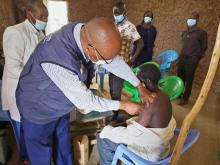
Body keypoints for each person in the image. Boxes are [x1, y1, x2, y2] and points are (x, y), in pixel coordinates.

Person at [15, 17, 154, 165]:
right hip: (37, 107)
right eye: (105, 61)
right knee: (41, 153)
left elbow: (114, 62)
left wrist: (139, 86)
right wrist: (124, 105)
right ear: (89, 49)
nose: (108, 63)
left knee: (63, 147)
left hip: (60, 104)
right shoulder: (56, 57)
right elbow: (85, 100)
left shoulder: (85, 33)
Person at [97, 64, 176, 164]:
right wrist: (116, 127)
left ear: (146, 82)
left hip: (149, 154)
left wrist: (107, 131)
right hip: (159, 142)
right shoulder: (164, 95)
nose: (137, 85)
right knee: (122, 116)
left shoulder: (150, 102)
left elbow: (132, 135)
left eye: (139, 82)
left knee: (102, 138)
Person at [2, 0, 48, 163]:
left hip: (33, 95)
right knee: (24, 136)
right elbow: (13, 67)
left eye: (46, 15)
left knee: (32, 134)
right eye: (42, 16)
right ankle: (25, 160)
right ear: (29, 14)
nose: (45, 19)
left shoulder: (40, 34)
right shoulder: (16, 32)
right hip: (18, 96)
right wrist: (38, 75)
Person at [109, 1, 144, 120]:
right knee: (111, 87)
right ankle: (114, 111)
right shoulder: (113, 25)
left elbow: (140, 44)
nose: (116, 15)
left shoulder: (130, 27)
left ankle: (114, 116)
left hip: (122, 64)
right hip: (111, 63)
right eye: (115, 13)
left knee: (116, 90)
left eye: (119, 13)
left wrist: (132, 59)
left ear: (125, 13)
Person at [178, 12, 208, 105]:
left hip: (192, 59)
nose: (190, 20)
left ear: (197, 20)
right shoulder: (184, 32)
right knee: (180, 77)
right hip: (182, 58)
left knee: (189, 79)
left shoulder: (201, 33)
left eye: (193, 18)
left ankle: (185, 99)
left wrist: (196, 58)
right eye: (189, 18)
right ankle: (179, 93)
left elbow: (204, 47)